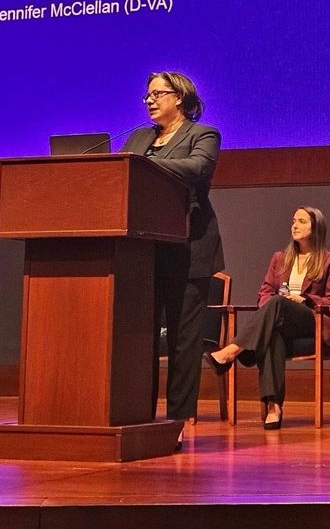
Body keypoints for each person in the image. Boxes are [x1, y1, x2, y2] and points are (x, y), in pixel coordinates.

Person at [121, 72, 222, 446]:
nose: (149, 100)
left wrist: (145, 165)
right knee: (139, 337)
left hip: (188, 246)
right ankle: (138, 416)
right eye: (146, 95)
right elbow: (119, 175)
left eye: (157, 93)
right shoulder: (138, 138)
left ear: (179, 97)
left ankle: (178, 421)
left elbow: (198, 169)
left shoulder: (204, 134)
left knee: (183, 339)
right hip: (142, 251)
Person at [205, 207, 330, 429]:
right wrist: (271, 307)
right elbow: (265, 293)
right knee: (272, 334)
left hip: (311, 321)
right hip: (281, 320)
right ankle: (274, 406)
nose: (294, 225)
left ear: (316, 228)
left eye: (301, 221)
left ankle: (233, 350)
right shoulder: (280, 258)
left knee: (279, 303)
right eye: (293, 221)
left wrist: (304, 299)